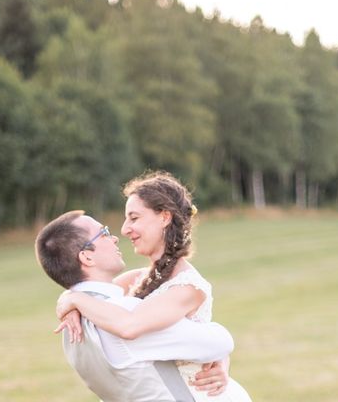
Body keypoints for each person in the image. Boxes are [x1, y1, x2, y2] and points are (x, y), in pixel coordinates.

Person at [56, 171, 252, 401]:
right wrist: (68, 301)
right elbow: (94, 294)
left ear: (164, 217)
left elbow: (129, 323)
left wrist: (75, 301)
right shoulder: (135, 278)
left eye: (134, 218)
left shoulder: (187, 287)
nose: (125, 229)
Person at [36, 210, 235, 402]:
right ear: (87, 257)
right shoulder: (125, 314)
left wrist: (72, 297)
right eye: (103, 233)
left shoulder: (73, 321)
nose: (115, 237)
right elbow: (219, 343)